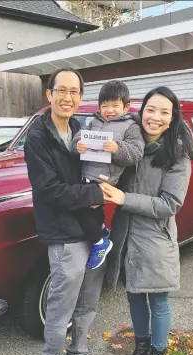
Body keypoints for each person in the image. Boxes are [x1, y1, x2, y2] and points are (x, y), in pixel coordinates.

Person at [100, 86, 193, 355]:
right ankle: (140, 350)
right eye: (150, 109)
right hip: (126, 234)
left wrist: (124, 198)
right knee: (133, 295)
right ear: (141, 111)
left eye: (163, 112)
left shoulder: (177, 156)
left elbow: (170, 204)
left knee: (158, 300)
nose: (155, 117)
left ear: (172, 118)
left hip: (155, 238)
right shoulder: (131, 144)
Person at [23, 68, 107, 355]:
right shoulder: (38, 137)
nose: (68, 97)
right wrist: (97, 195)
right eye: (62, 90)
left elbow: (98, 169)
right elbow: (49, 190)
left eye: (74, 92)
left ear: (81, 97)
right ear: (49, 94)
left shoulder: (79, 129)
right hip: (63, 233)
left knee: (88, 301)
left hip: (91, 227)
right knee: (61, 304)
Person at [72, 80, 144, 270]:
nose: (109, 110)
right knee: (92, 210)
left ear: (126, 106)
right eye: (104, 105)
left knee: (80, 207)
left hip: (106, 178)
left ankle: (99, 243)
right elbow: (79, 136)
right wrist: (77, 144)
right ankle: (101, 229)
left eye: (114, 105)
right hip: (87, 172)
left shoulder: (131, 126)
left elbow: (136, 153)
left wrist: (117, 148)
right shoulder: (94, 121)